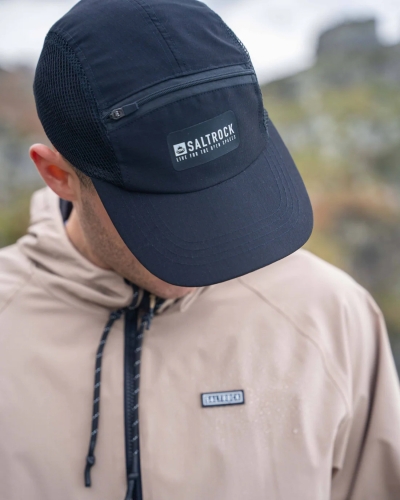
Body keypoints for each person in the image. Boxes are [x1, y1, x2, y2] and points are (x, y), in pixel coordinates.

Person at [0, 0, 399, 499]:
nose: (214, 248)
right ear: (57, 175)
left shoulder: (333, 316)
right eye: (164, 210)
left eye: (223, 187)